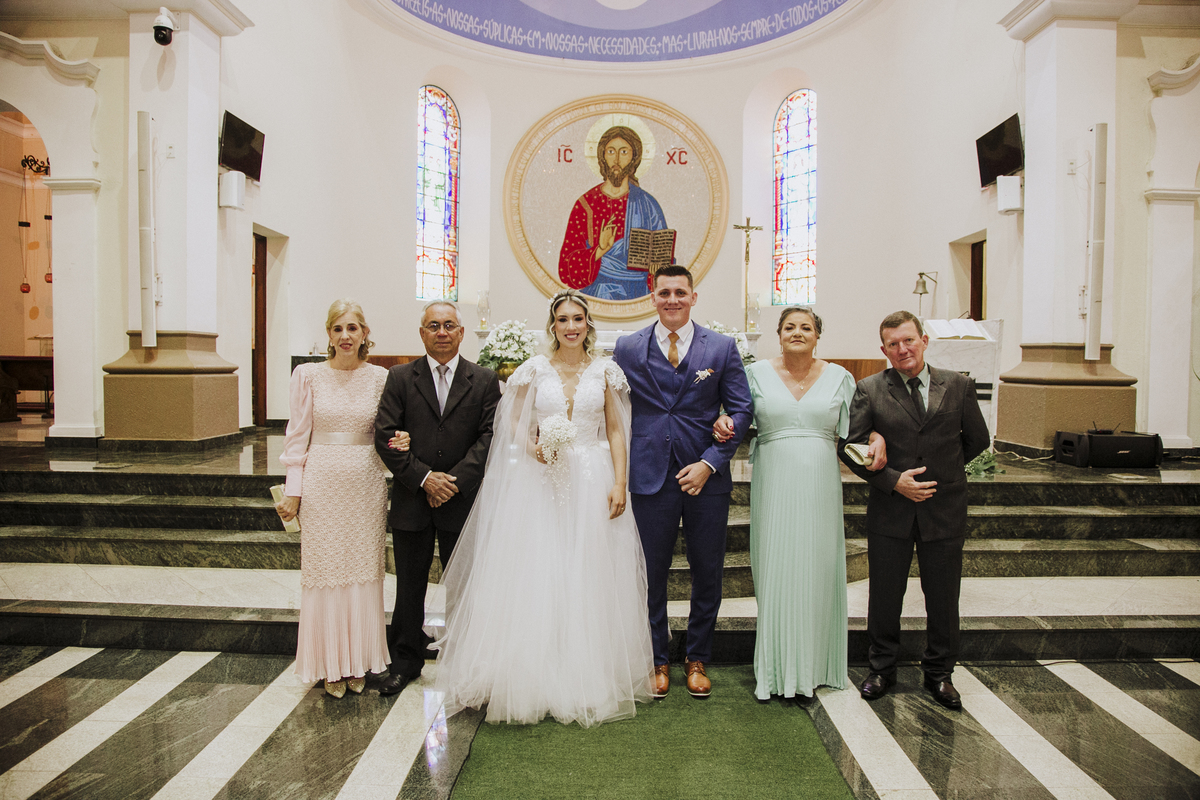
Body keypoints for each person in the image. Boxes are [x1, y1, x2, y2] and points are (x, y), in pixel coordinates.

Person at [408, 288, 653, 726]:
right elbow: (512, 420)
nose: (571, 326)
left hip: (592, 478)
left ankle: (586, 671)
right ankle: (533, 672)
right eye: (563, 319)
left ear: (587, 324)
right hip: (542, 479)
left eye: (577, 318)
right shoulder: (535, 369)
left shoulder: (606, 371)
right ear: (553, 325)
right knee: (542, 569)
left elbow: (617, 431)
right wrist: (533, 447)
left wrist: (620, 482)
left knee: (587, 570)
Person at [718, 307, 886, 700]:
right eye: (790, 327)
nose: (797, 332)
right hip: (774, 480)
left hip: (820, 483)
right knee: (776, 564)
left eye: (806, 327)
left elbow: (859, 428)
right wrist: (723, 420)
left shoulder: (840, 378)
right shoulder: (755, 374)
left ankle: (815, 665)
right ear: (778, 335)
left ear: (817, 336)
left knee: (817, 566)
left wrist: (877, 436)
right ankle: (777, 670)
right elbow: (735, 414)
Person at [614, 265, 753, 698]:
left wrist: (710, 462)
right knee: (649, 572)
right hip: (649, 474)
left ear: (694, 297)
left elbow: (741, 408)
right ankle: (656, 658)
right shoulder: (627, 347)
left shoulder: (722, 347)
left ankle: (697, 658)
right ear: (652, 297)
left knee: (707, 570)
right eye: (664, 293)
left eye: (680, 292)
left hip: (705, 477)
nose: (672, 299)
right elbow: (613, 409)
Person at [840, 310, 989, 710]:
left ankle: (940, 673)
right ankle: (881, 669)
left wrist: (944, 471)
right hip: (891, 510)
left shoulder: (958, 385)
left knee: (943, 596)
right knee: (885, 596)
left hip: (944, 508)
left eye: (908, 340)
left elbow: (978, 439)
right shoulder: (870, 389)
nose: (902, 349)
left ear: (924, 340)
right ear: (884, 349)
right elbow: (850, 447)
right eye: (893, 344)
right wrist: (893, 480)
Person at [372, 299, 502, 697]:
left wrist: (453, 482)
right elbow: (386, 435)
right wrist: (425, 479)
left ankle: (462, 664)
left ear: (461, 333)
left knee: (462, 587)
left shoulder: (483, 379)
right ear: (422, 333)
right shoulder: (399, 377)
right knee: (409, 586)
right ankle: (405, 662)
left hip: (462, 501)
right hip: (413, 498)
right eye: (433, 325)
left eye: (448, 325)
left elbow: (490, 436)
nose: (441, 332)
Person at [277, 299, 393, 698]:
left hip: (365, 484)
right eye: (338, 328)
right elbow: (296, 437)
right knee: (325, 572)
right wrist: (293, 490)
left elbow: (388, 431)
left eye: (352, 328)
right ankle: (329, 664)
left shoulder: (380, 378)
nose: (345, 336)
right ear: (328, 334)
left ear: (364, 334)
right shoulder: (308, 376)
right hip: (322, 483)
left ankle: (358, 660)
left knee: (362, 571)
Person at [558, 125, 669, 301]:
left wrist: (657, 270)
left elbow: (663, 265)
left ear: (634, 157)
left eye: (624, 152)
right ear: (602, 156)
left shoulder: (648, 205)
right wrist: (600, 250)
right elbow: (567, 268)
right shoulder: (586, 205)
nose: (616, 159)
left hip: (639, 294)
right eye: (611, 151)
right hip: (596, 295)